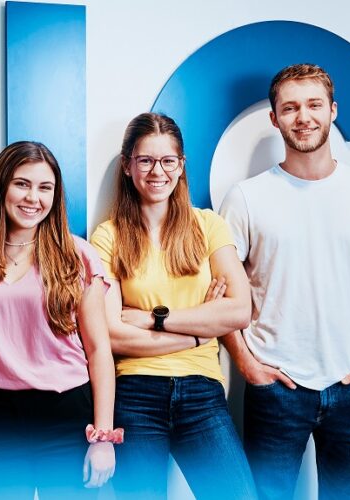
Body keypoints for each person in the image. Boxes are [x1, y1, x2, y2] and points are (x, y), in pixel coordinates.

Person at [218, 63, 350, 500]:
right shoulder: (246, 197)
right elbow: (222, 296)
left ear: (333, 110)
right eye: (290, 108)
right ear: (274, 119)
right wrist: (247, 364)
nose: (303, 117)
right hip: (275, 387)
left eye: (314, 105)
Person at [90, 112, 257, 499]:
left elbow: (238, 311)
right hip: (134, 393)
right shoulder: (108, 236)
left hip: (202, 391)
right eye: (145, 160)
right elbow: (112, 334)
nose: (157, 172)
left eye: (168, 161)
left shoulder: (208, 226)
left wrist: (155, 319)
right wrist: (198, 334)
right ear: (127, 165)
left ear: (181, 166)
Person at [0, 141, 117, 499]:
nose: (33, 198)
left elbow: (99, 349)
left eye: (45, 187)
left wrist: (103, 437)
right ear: (1, 187)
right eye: (22, 184)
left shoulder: (76, 255)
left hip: (66, 415)